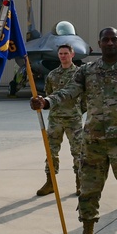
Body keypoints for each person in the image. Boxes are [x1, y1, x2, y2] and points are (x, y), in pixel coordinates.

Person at [30, 27, 117, 234]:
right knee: (88, 189)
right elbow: (69, 91)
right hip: (93, 140)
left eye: (113, 39)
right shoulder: (88, 70)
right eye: (105, 40)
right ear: (99, 44)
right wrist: (47, 101)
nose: (110, 43)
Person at [35, 44, 85, 197]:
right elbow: (49, 94)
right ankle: (50, 182)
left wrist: (78, 110)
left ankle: (80, 182)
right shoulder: (52, 75)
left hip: (73, 119)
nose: (63, 56)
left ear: (72, 54)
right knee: (51, 151)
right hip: (55, 119)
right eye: (61, 54)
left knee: (78, 151)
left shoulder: (79, 74)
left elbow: (85, 97)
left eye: (66, 53)